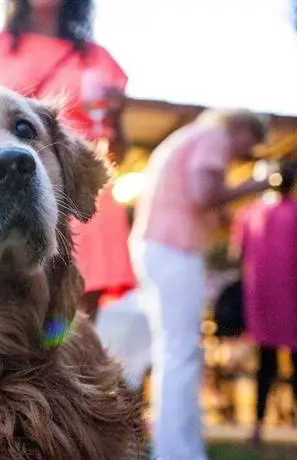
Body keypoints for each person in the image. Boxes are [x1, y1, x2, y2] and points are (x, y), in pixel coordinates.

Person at [0, 0, 135, 320]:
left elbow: (115, 156)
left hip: (82, 198)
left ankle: (72, 368)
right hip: (5, 190)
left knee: (76, 325)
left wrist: (117, 118)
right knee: (4, 311)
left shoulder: (98, 59)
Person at [129, 108, 274, 460]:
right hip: (175, 250)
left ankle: (177, 447)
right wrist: (259, 184)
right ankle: (179, 452)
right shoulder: (213, 137)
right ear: (240, 128)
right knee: (181, 353)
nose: (242, 155)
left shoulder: (189, 138)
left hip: (157, 247)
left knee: (174, 352)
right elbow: (202, 193)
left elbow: (201, 199)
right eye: (249, 144)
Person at [230, 160, 297, 444]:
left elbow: (237, 253)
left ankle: (257, 427)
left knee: (265, 365)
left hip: (263, 301)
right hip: (289, 301)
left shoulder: (249, 213)